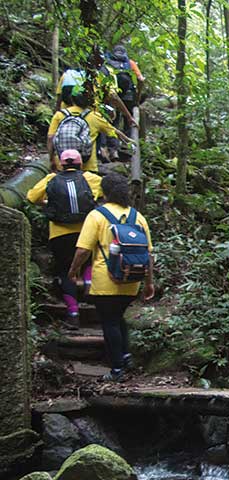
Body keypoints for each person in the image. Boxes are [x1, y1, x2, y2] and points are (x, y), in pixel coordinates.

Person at [68, 172, 154, 382]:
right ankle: (125, 357)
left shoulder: (97, 216)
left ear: (105, 193)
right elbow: (149, 254)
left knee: (109, 321)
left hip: (106, 280)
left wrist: (73, 271)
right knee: (118, 317)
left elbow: (83, 250)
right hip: (131, 281)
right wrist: (149, 282)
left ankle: (117, 369)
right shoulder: (137, 217)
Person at [26, 149, 103, 329]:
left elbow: (31, 197)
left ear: (61, 164)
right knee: (90, 260)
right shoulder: (92, 179)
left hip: (59, 234)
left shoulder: (50, 179)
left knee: (65, 270)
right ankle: (89, 285)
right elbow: (104, 194)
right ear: (81, 164)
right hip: (86, 230)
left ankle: (73, 313)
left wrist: (47, 203)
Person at [46, 91, 128, 173]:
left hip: (63, 164)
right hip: (88, 166)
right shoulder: (95, 116)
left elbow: (50, 137)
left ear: (72, 100)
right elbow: (114, 132)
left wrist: (51, 159)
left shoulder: (59, 115)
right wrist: (129, 141)